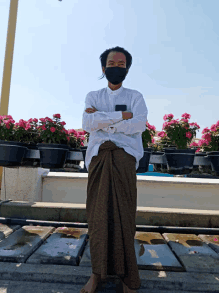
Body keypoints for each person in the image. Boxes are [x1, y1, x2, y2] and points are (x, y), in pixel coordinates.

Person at [80, 46, 148, 293]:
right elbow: (88, 124)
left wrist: (104, 120)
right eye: (112, 63)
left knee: (124, 217)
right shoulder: (93, 95)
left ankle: (126, 276)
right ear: (103, 67)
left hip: (125, 159)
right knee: (97, 218)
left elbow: (138, 123)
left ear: (127, 69)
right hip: (99, 158)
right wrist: (122, 116)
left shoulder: (135, 96)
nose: (116, 67)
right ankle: (96, 274)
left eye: (121, 64)